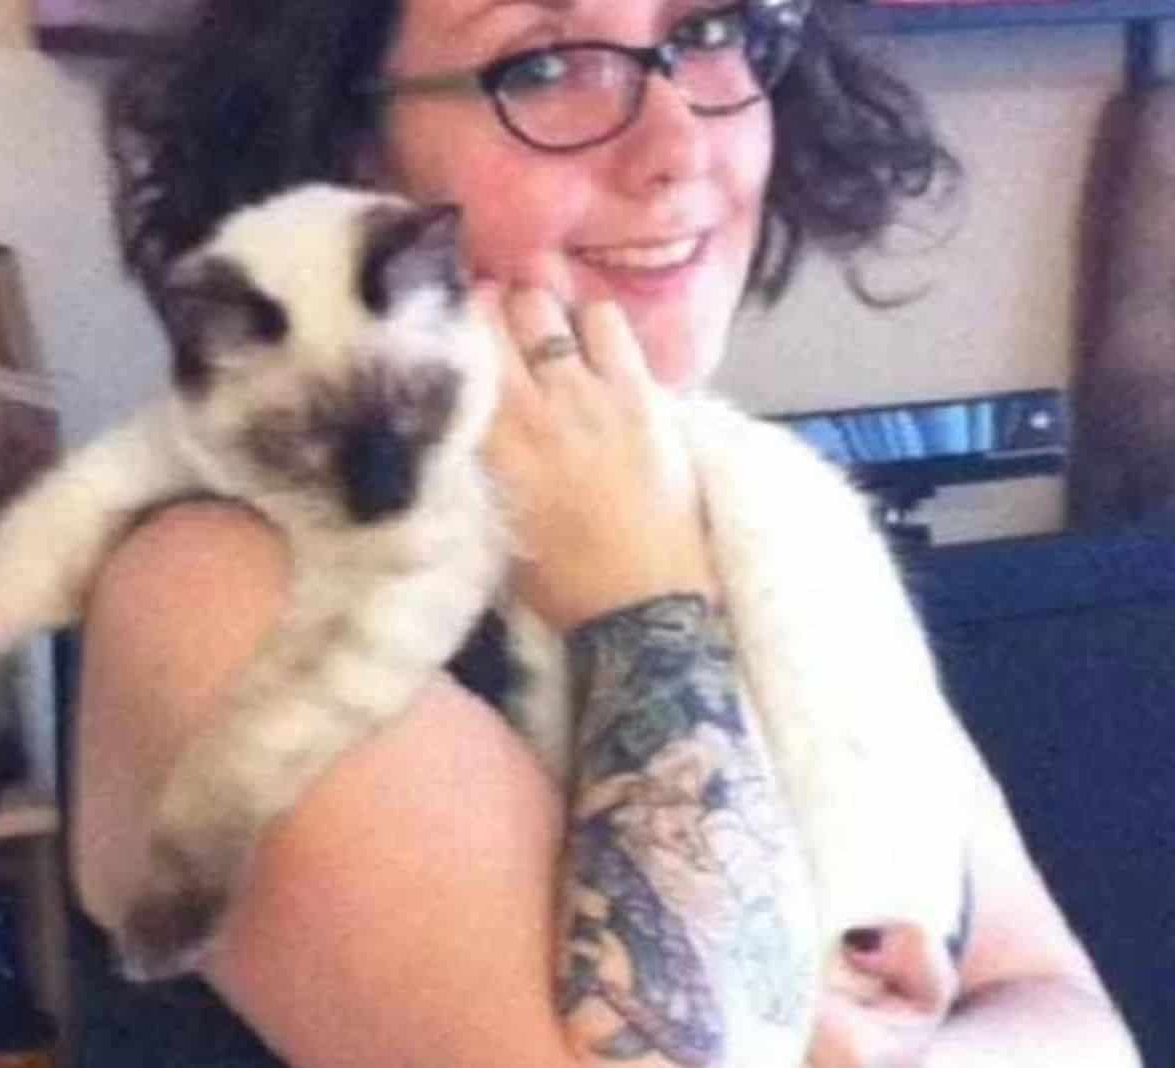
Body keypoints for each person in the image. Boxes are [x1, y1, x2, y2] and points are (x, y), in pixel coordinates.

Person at [69, 1, 1142, 1065]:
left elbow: (1077, 1024)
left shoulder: (768, 510)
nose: (678, 145)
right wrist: (642, 605)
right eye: (539, 65)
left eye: (710, 31)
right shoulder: (212, 595)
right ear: (349, 154)